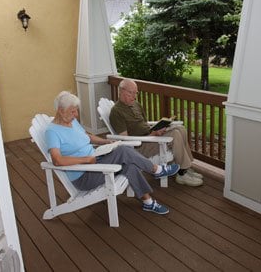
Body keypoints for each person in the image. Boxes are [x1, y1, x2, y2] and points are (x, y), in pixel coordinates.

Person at [45, 91, 180, 215]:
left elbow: (88, 137)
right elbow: (57, 160)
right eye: (73, 111)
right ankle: (156, 170)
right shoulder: (52, 132)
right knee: (123, 151)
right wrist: (86, 160)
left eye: (76, 111)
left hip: (96, 160)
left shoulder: (72, 122)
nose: (76, 115)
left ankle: (148, 203)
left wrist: (105, 142)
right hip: (84, 174)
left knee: (129, 163)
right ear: (61, 111)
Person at [109, 79, 203, 187]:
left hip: (150, 137)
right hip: (140, 146)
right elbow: (125, 140)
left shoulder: (135, 104)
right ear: (121, 91)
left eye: (136, 92)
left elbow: (144, 124)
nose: (134, 96)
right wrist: (152, 135)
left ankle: (186, 167)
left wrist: (158, 128)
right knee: (175, 134)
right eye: (131, 93)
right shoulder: (116, 112)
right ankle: (182, 174)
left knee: (180, 129)